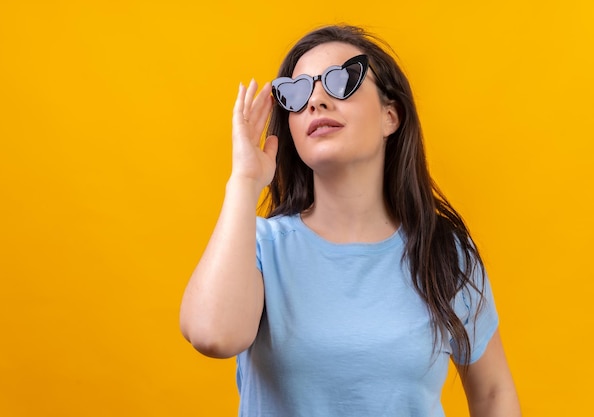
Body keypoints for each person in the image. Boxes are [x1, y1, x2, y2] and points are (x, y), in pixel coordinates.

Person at [180, 24, 521, 416]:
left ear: (390, 116)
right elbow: (212, 336)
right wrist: (244, 180)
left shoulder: (442, 251)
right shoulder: (257, 248)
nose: (316, 102)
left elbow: (494, 393)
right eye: (299, 91)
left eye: (342, 81)